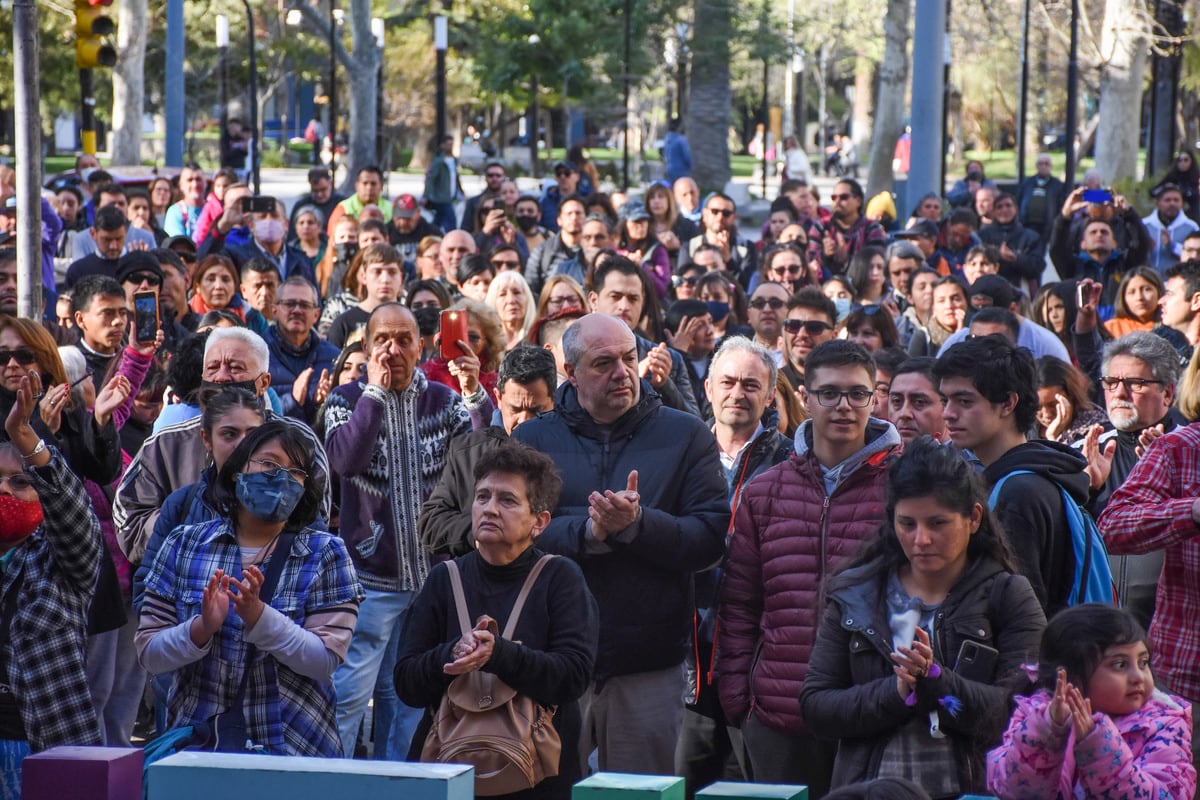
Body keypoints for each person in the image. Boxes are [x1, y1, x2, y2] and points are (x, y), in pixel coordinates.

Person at [510, 313, 729, 775]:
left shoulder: (685, 434)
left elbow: (710, 537)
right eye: (603, 363)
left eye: (629, 358)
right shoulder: (532, 439)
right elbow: (510, 532)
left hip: (646, 663)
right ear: (569, 372)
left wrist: (637, 524)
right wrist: (587, 532)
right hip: (552, 660)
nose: (622, 373)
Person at [801, 436, 1046, 797]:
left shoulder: (1008, 595)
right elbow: (817, 706)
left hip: (973, 790)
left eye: (938, 523)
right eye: (907, 523)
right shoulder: (856, 593)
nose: (921, 539)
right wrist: (897, 692)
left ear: (973, 518)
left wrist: (939, 684)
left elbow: (1024, 713)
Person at [719, 340, 901, 794]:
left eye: (858, 394)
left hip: (872, 708)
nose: (844, 406)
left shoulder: (905, 484)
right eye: (830, 393)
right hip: (779, 712)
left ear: (873, 398)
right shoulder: (764, 492)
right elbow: (740, 605)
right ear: (804, 396)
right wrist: (740, 700)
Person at [137, 421, 364, 756]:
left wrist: (260, 618)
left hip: (295, 749)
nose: (281, 477)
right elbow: (149, 654)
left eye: (296, 471)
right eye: (269, 464)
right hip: (201, 751)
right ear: (236, 472)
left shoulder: (326, 554)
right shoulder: (184, 544)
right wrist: (201, 629)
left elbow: (324, 660)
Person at [396, 443, 598, 799]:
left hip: (538, 780)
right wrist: (452, 654)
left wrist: (499, 654)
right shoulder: (445, 578)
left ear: (540, 521)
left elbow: (573, 678)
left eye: (507, 500)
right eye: (482, 496)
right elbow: (407, 683)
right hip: (450, 772)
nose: (489, 509)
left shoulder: (560, 577)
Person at [324, 303, 479, 762]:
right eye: (382, 340)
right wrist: (372, 392)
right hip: (370, 580)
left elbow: (477, 469)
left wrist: (473, 394)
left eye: (403, 339)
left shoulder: (445, 401)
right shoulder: (345, 399)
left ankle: (397, 785)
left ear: (422, 345)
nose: (393, 349)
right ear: (368, 347)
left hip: (432, 579)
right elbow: (346, 462)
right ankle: (330, 784)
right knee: (348, 697)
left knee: (408, 700)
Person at [676, 337, 793, 796]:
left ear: (769, 395)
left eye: (751, 384)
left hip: (759, 663)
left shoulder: (792, 460)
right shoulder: (681, 453)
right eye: (727, 382)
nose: (737, 393)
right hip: (686, 661)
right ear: (707, 388)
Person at [114, 326, 331, 565]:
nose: (222, 377)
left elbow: (316, 522)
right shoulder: (166, 444)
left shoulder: (300, 442)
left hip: (275, 590)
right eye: (213, 368)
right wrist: (189, 532)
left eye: (235, 368)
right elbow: (130, 520)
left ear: (264, 382)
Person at [0, 371, 105, 794]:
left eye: (20, 482)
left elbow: (75, 515)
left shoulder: (62, 562)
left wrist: (27, 439)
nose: (6, 491)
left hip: (46, 746)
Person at [933, 335, 1088, 615]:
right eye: (945, 400)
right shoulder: (1032, 474)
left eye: (964, 401)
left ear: (1007, 403)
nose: (948, 414)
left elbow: (1021, 616)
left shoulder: (1019, 491)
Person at [986, 604, 1195, 799]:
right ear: (1069, 676)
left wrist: (1098, 745)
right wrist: (1047, 731)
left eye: (1143, 662)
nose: (1138, 676)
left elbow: (1169, 794)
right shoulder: (1036, 715)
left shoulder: (1165, 723)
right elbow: (1013, 790)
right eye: (1120, 665)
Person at [418, 346, 557, 556]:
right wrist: (483, 530)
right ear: (498, 398)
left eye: (537, 410)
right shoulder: (466, 452)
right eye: (515, 410)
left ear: (553, 401)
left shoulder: (570, 448)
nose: (524, 421)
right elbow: (431, 523)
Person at [267, 277, 338, 427]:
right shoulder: (257, 354)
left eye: (304, 305)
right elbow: (254, 411)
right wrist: (292, 399)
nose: (297, 310)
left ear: (316, 315)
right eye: (290, 304)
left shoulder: (333, 357)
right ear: (274, 310)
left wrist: (320, 404)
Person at [326, 243, 404, 350]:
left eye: (392, 272)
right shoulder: (344, 324)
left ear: (401, 277)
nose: (385, 279)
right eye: (377, 272)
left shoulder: (411, 322)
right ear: (363, 277)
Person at [978, 193, 1044, 290]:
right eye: (999, 207)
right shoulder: (982, 236)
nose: (1004, 210)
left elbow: (1038, 266)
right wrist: (997, 255)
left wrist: (1016, 258)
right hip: (989, 289)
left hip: (1020, 291)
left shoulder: (1031, 237)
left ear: (1016, 209)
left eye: (1008, 206)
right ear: (993, 212)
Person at [1034, 356, 1106, 444]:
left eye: (1053, 405)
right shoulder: (1025, 429)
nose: (1047, 414)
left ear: (1071, 395)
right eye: (1038, 407)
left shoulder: (1095, 429)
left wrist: (1053, 437)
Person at [780, 287, 839, 391]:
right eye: (793, 326)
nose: (802, 334)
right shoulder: (769, 384)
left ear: (834, 335)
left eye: (814, 327)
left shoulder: (845, 385)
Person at [1142, 183, 1198, 274]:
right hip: (1150, 279)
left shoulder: (1191, 227)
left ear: (1182, 203)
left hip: (1179, 280)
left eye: (1176, 200)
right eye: (1167, 200)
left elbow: (1195, 256)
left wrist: (1172, 246)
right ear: (1157, 204)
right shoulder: (1144, 225)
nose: (1172, 203)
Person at [887, 357, 946, 444]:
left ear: (946, 406)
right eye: (897, 401)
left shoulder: (968, 456)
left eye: (919, 402)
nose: (904, 413)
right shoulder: (871, 456)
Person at [325, 166, 391, 237]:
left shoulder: (390, 208)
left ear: (381, 186)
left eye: (373, 184)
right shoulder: (343, 208)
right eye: (365, 183)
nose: (369, 188)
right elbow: (332, 237)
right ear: (357, 186)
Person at [1016, 153, 1066, 245]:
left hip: (1047, 227)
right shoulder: (1027, 183)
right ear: (1036, 166)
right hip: (1027, 224)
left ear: (1051, 166)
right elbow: (1018, 200)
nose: (1043, 166)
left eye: (1046, 164)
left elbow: (1061, 206)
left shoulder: (1057, 185)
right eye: (1040, 163)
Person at [1103, 267, 1162, 339]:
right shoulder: (1110, 329)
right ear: (1123, 297)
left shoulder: (1171, 326)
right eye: (1131, 292)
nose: (1139, 297)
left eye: (1147, 289)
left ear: (1159, 292)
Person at [424, 135, 463, 233]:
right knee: (451, 222)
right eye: (448, 144)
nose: (450, 146)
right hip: (441, 197)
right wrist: (427, 195)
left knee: (438, 220)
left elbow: (456, 178)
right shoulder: (439, 161)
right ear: (443, 145)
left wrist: (461, 191)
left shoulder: (454, 160)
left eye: (451, 144)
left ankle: (429, 234)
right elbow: (431, 179)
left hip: (450, 196)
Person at [162, 165, 208, 239]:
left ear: (205, 183)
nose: (195, 185)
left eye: (198, 179)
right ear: (181, 185)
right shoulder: (175, 211)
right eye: (190, 180)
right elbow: (179, 245)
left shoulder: (213, 209)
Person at [460, 162, 506, 235]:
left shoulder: (509, 200)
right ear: (485, 177)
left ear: (503, 177)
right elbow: (465, 230)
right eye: (490, 175)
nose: (494, 178)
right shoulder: (473, 202)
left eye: (498, 175)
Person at [539, 161, 581, 233]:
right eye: (559, 174)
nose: (562, 177)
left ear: (577, 177)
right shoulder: (545, 202)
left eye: (567, 173)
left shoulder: (585, 200)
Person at [662, 118, 693, 183]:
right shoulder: (681, 140)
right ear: (679, 126)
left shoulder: (667, 138)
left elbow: (665, 154)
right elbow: (687, 156)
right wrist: (689, 166)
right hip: (681, 171)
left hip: (670, 169)